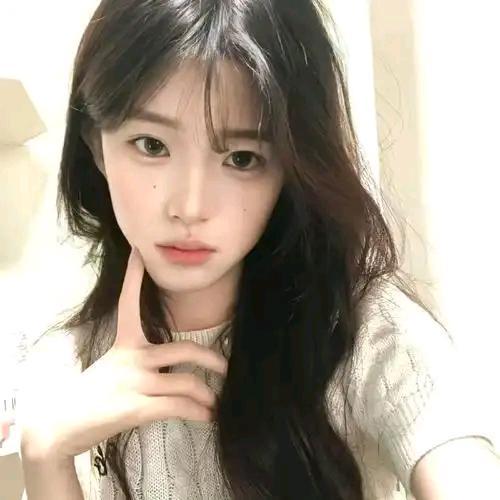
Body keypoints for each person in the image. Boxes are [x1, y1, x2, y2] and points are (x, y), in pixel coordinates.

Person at [16, 0, 500, 499]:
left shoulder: (366, 334)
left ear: (291, 166)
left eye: (242, 158)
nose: (190, 207)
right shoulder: (64, 370)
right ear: (97, 146)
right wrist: (46, 455)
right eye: (151, 145)